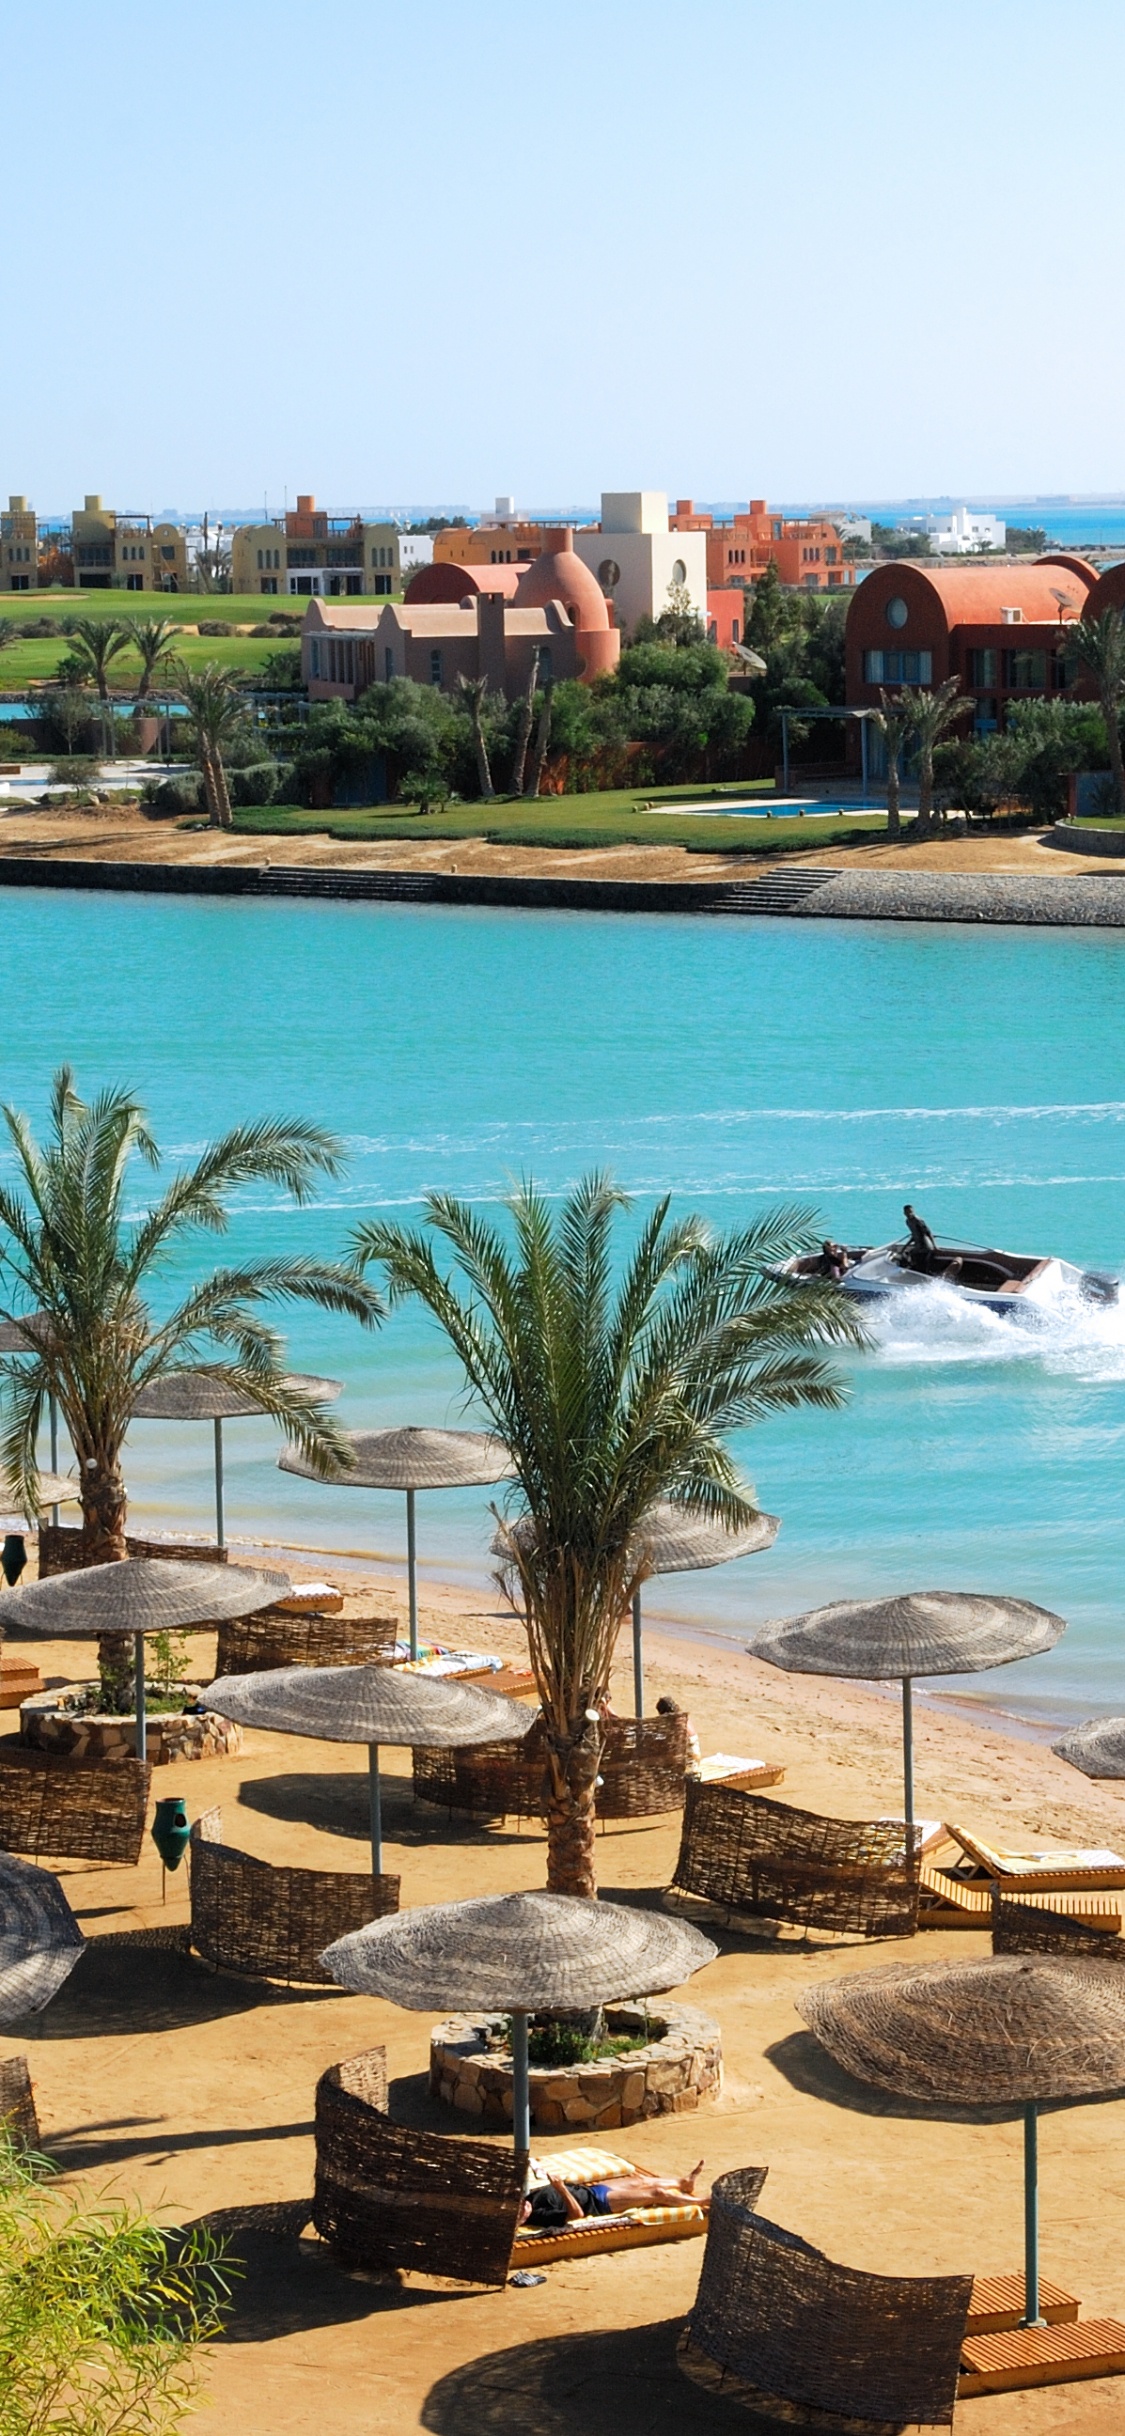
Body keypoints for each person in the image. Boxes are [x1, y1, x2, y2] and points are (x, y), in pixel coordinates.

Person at [522, 2158, 706, 2227]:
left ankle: (683, 2183)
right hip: (600, 2203)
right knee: (656, 2193)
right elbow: (576, 2215)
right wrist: (561, 2189)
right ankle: (702, 2202)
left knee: (642, 2180)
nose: (523, 2206)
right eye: (521, 2212)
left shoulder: (527, 2197)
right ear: (522, 2219)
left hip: (593, 2190)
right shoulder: (539, 2216)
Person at [656, 1693, 701, 1770]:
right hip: (695, 1759)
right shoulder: (683, 1718)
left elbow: (674, 1748)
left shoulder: (675, 1724)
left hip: (688, 1765)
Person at [902, 1204, 939, 1272]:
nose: (909, 1214)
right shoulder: (908, 1222)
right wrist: (905, 1246)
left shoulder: (918, 1220)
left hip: (925, 1245)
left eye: (911, 1212)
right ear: (904, 1213)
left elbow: (928, 1233)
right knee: (907, 1254)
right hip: (918, 1244)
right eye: (907, 1212)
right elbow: (914, 1234)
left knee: (922, 1260)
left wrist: (935, 1246)